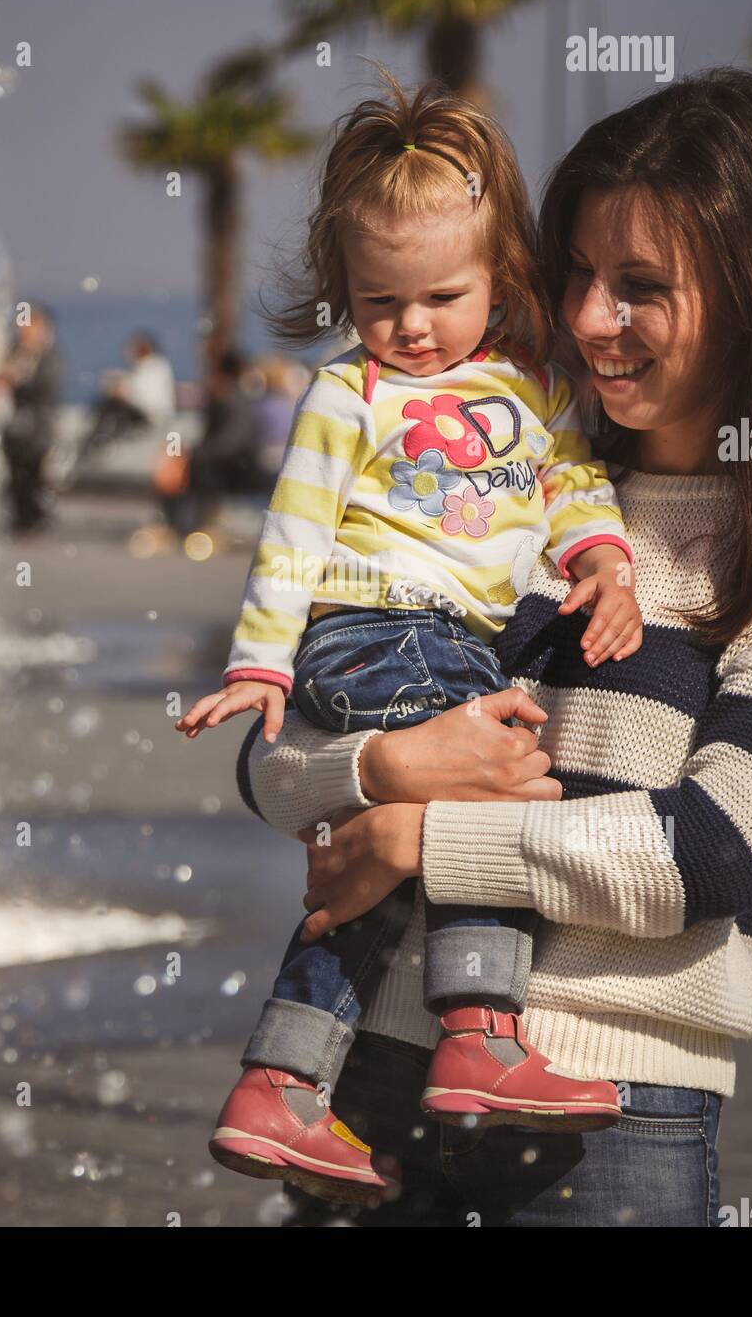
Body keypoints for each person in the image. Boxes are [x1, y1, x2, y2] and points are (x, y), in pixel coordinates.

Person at [231, 68, 752, 1226]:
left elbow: (718, 849)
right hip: (370, 1081)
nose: (582, 320)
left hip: (610, 1114)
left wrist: (419, 832)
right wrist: (373, 772)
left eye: (639, 287)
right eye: (572, 273)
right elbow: (274, 755)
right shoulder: (521, 489)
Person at [177, 75, 642, 1204]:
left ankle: (281, 1085)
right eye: (382, 300)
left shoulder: (533, 387)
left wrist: (604, 558)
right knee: (491, 796)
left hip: (455, 645)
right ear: (344, 288)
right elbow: (291, 533)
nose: (414, 326)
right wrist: (258, 661)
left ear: (500, 278)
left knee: (376, 874)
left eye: (444, 294)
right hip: (379, 626)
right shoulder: (347, 392)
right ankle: (480, 1031)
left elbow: (573, 481)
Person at [159, 349, 265, 541]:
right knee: (190, 469)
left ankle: (188, 525)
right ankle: (185, 524)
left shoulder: (233, 402)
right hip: (231, 462)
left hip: (237, 467)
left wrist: (193, 454)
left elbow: (231, 443)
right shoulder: (232, 399)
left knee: (198, 471)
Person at [70, 331, 175, 482]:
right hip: (146, 413)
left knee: (111, 406)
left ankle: (96, 442)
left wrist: (124, 391)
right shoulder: (154, 366)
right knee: (111, 405)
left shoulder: (154, 367)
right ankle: (97, 441)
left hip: (150, 417)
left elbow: (147, 399)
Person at [0, 302, 63, 533]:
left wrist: (20, 379)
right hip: (14, 425)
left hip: (38, 427)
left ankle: (35, 518)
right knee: (15, 474)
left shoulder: (49, 355)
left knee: (35, 473)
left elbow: (48, 387)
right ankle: (20, 518)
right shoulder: (15, 352)